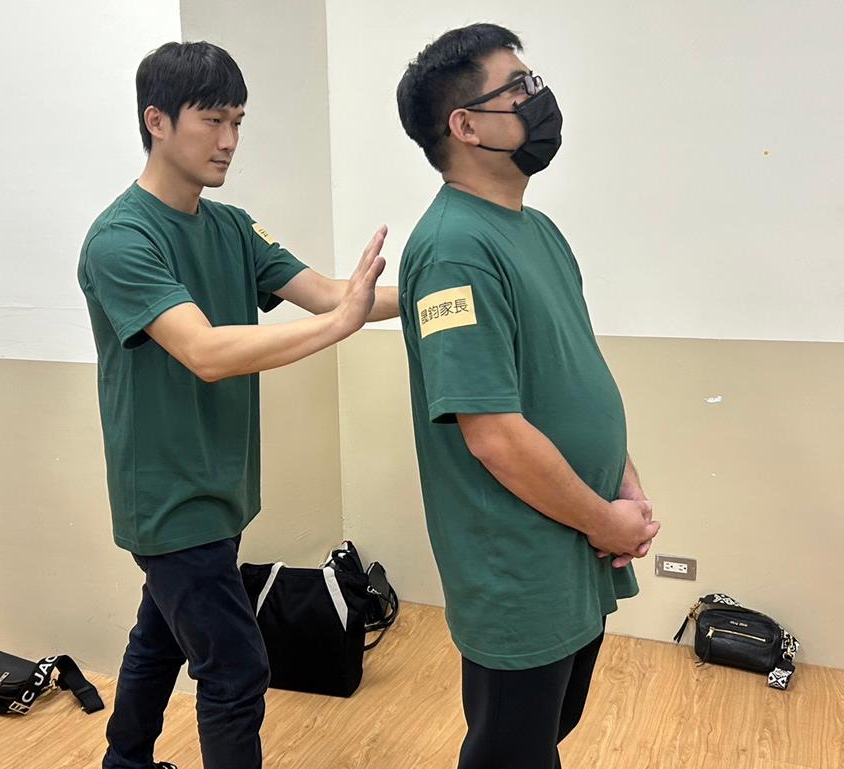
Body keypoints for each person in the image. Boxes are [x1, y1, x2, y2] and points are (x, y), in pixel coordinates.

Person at [78, 40, 397, 769]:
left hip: (221, 489)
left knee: (159, 637)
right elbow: (204, 351)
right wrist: (339, 325)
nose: (229, 141)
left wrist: (441, 286)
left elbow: (331, 295)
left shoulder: (233, 226)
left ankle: (124, 762)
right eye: (212, 121)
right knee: (235, 670)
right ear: (157, 121)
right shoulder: (120, 239)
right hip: (168, 498)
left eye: (238, 123)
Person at [395, 23, 660, 769]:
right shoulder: (453, 249)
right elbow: (493, 435)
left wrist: (626, 487)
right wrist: (606, 519)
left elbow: (574, 375)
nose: (538, 97)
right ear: (465, 125)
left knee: (547, 732)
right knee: (510, 750)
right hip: (517, 564)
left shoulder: (537, 231)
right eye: (518, 88)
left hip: (578, 541)